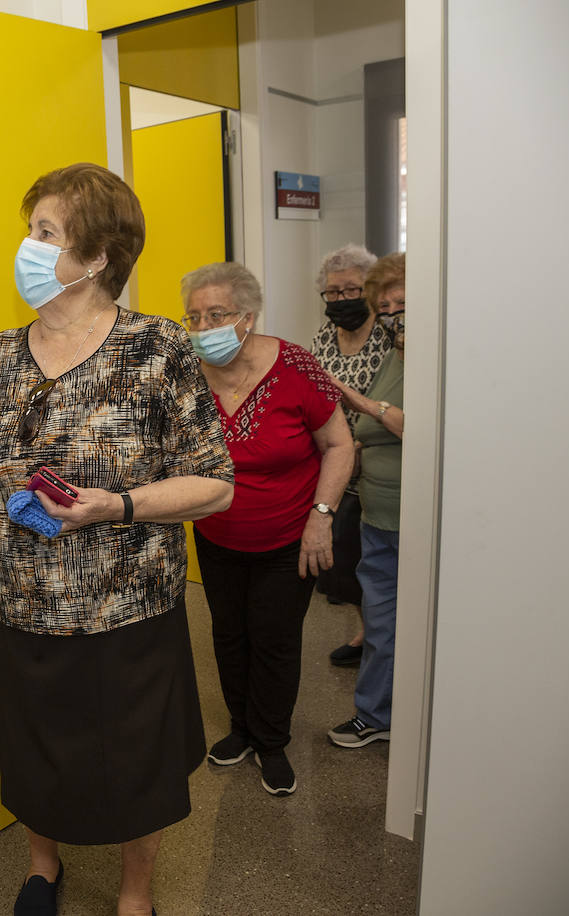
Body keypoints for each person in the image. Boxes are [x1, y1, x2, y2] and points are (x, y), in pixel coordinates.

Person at [0, 163, 234, 916]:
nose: (29, 246)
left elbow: (216, 484)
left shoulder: (158, 350)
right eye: (32, 230)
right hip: (25, 609)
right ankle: (42, 869)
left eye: (46, 233)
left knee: (136, 763)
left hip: (128, 610)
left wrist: (115, 505)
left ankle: (135, 893)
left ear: (97, 257)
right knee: (38, 755)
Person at [181, 262, 355, 797]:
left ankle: (272, 741)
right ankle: (241, 730)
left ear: (248, 316)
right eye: (193, 317)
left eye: (217, 314)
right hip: (216, 536)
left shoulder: (297, 366)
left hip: (289, 539)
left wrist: (321, 519)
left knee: (274, 640)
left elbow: (339, 445)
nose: (204, 326)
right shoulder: (186, 372)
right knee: (229, 635)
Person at [327, 252, 406, 748]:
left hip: (407, 515)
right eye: (387, 305)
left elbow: (407, 424)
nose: (394, 313)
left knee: (392, 621)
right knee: (381, 620)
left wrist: (355, 399)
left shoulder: (439, 357)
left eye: (402, 302)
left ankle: (383, 713)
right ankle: (375, 713)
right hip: (377, 510)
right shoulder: (399, 354)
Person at [309, 244, 393, 666]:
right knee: (344, 562)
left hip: (374, 460)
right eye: (334, 293)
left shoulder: (389, 333)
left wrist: (357, 444)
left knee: (366, 558)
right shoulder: (325, 334)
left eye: (351, 290)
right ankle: (367, 631)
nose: (342, 300)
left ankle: (374, 638)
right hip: (335, 460)